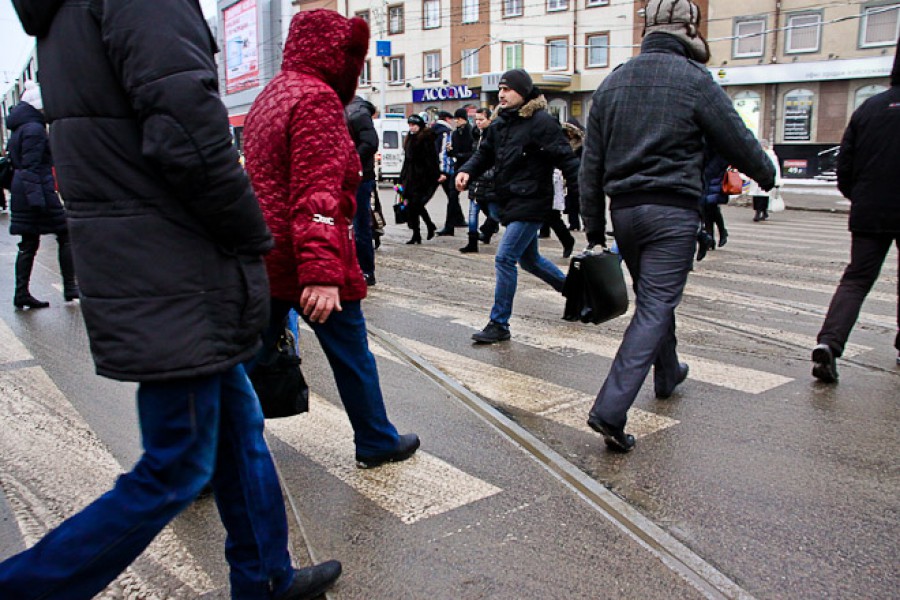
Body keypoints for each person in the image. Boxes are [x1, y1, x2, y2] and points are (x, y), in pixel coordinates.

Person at [2, 2, 341, 599]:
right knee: (176, 465)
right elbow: (187, 129)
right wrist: (250, 233)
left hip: (147, 251)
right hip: (174, 260)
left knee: (238, 427)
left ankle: (266, 574)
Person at [579, 0, 776, 453]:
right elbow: (736, 137)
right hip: (672, 212)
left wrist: (593, 228)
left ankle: (668, 373)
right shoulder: (694, 80)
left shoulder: (612, 83)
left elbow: (590, 165)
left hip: (624, 212)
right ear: (689, 31)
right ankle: (610, 409)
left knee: (653, 297)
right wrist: (765, 176)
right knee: (655, 305)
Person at [243, 10, 420, 469]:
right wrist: (320, 274)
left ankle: (208, 458)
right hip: (305, 256)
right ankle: (376, 440)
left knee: (243, 361)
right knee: (351, 353)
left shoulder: (272, 94)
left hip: (264, 253)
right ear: (337, 56)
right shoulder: (318, 100)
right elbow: (316, 193)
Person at [456, 69, 580, 344]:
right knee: (530, 260)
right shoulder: (500, 124)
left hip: (533, 201)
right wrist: (467, 171)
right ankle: (578, 296)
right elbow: (484, 154)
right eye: (500, 89)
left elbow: (567, 159)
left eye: (508, 89)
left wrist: (583, 199)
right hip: (509, 200)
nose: (501, 94)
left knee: (504, 258)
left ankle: (499, 323)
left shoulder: (541, 122)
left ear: (523, 92)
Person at [812, 44, 900, 382]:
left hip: (869, 210)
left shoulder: (868, 109)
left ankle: (829, 343)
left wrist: (859, 196)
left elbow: (844, 164)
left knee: (857, 279)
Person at [4, 81, 78, 309]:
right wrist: (38, 201)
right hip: (35, 192)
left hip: (22, 191)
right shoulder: (34, 130)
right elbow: (32, 167)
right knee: (64, 234)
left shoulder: (20, 128)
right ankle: (70, 288)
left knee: (28, 243)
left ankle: (21, 293)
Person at [346, 94, 379, 285]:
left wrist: (350, 162)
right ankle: (358, 268)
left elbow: (370, 143)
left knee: (359, 225)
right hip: (352, 175)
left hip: (359, 177)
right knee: (352, 225)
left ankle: (366, 270)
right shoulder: (349, 110)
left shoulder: (357, 113)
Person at [460, 107, 499, 253]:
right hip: (476, 180)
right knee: (472, 212)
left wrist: (490, 173)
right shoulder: (476, 135)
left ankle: (488, 231)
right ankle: (472, 241)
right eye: (476, 120)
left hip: (490, 182)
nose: (478, 123)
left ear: (489, 120)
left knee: (495, 213)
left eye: (481, 119)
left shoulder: (494, 135)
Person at [398, 114, 441, 244]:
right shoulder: (410, 139)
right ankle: (417, 233)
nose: (411, 128)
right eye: (410, 125)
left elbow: (432, 159)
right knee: (411, 206)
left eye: (414, 125)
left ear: (420, 126)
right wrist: (401, 178)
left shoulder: (426, 139)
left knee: (416, 204)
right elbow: (407, 160)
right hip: (410, 177)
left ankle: (428, 225)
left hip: (422, 178)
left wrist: (435, 175)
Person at [433, 110, 467, 235]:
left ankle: (457, 221)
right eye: (454, 119)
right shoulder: (447, 132)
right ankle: (452, 224)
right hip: (448, 169)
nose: (455, 121)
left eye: (458, 119)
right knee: (452, 196)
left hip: (456, 169)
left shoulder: (464, 131)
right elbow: (443, 153)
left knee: (454, 196)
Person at [748, 139, 782, 221]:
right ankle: (762, 212)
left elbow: (776, 169)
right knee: (756, 197)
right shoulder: (756, 154)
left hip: (766, 178)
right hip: (756, 179)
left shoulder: (771, 155)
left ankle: (759, 213)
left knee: (763, 196)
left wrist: (776, 181)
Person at [702, 151, 730, 249]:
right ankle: (711, 237)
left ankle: (720, 232)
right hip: (707, 180)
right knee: (706, 208)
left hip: (715, 179)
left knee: (711, 206)